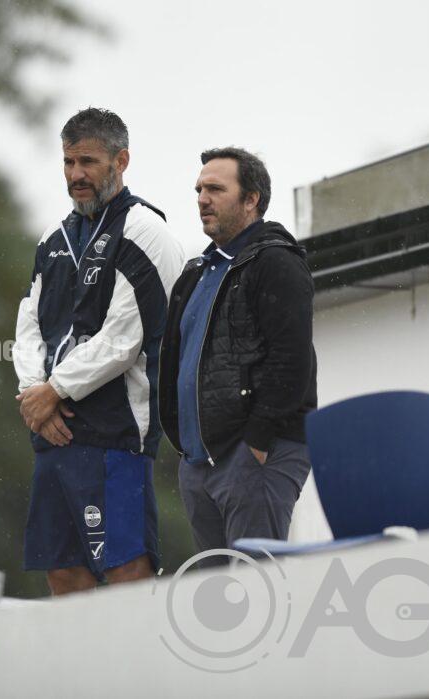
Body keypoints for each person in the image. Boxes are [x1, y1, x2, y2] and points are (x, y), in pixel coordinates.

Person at [13, 108, 184, 595]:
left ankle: (138, 652)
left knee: (127, 569)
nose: (76, 175)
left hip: (115, 436)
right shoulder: (52, 239)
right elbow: (28, 325)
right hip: (53, 433)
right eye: (68, 162)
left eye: (87, 161)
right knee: (63, 570)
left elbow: (123, 339)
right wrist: (34, 396)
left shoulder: (146, 231)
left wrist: (54, 391)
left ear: (121, 161)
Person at [158, 147, 317, 558]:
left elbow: (291, 359)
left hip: (257, 453)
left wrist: (257, 443)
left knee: (257, 584)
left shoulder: (276, 261)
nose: (202, 199)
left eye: (215, 189)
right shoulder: (194, 274)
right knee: (216, 592)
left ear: (251, 200)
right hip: (199, 463)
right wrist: (185, 450)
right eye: (198, 190)